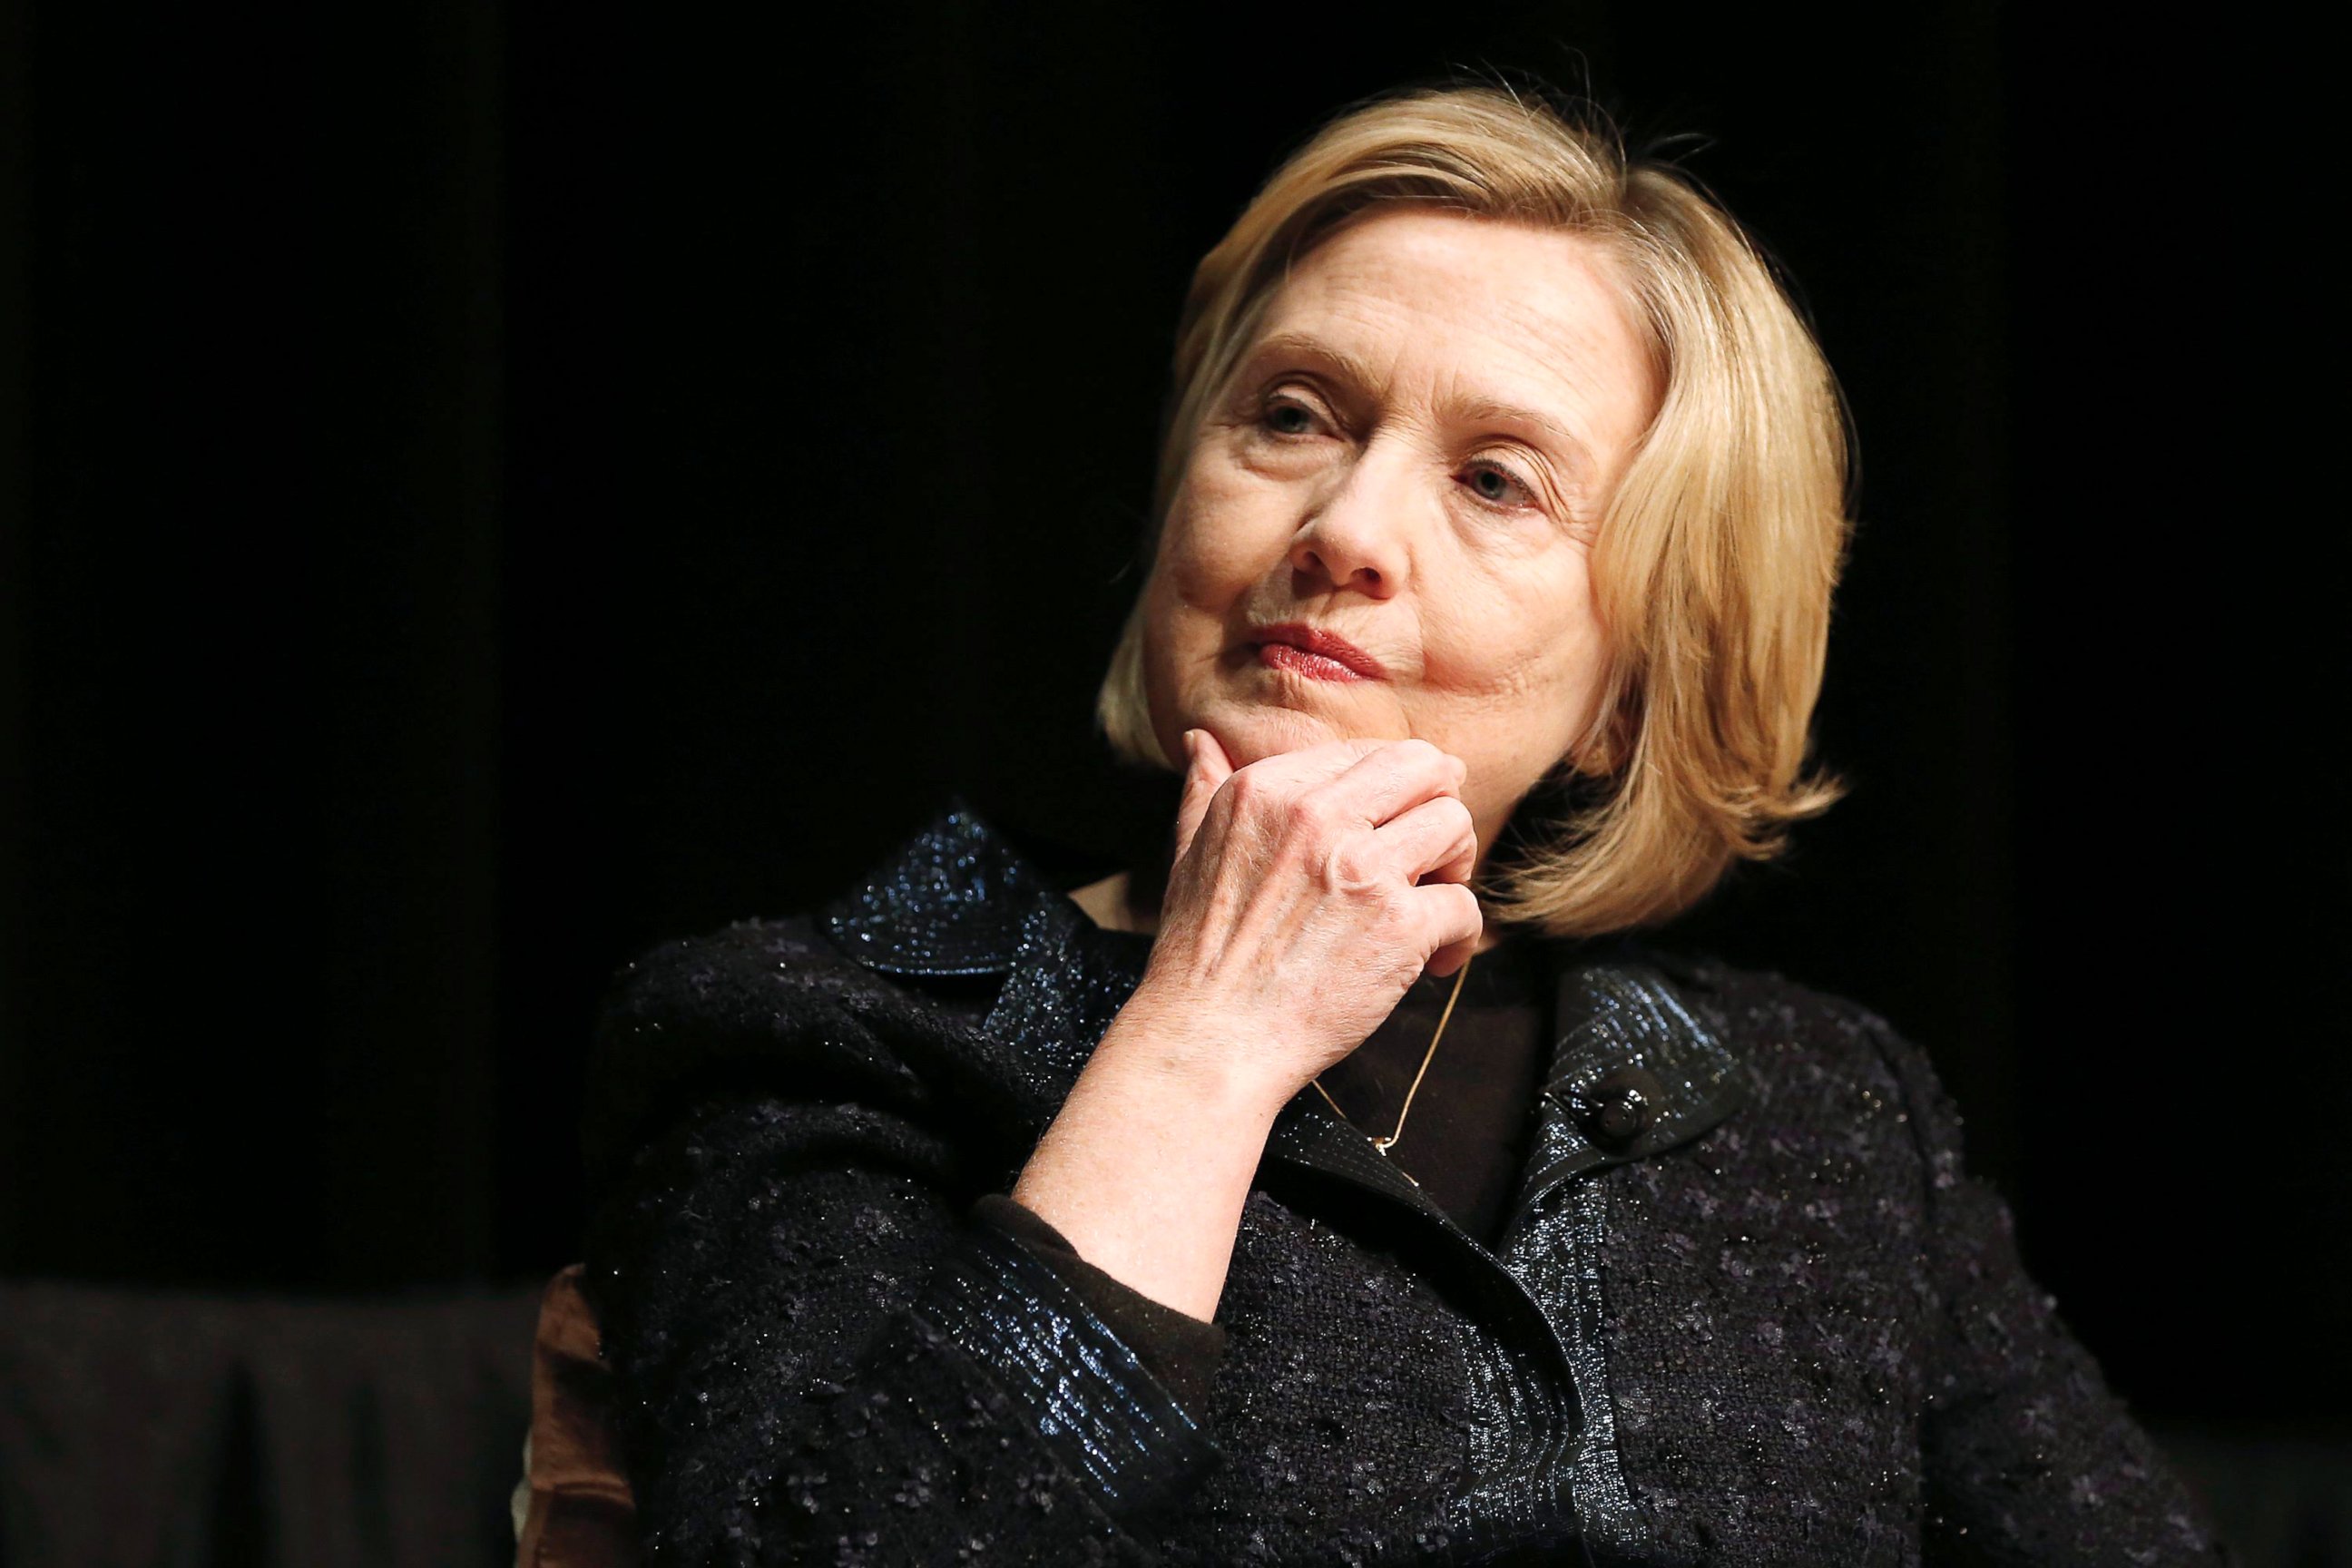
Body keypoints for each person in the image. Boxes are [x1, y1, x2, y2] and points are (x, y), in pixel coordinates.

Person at [534, 81, 2231, 1565]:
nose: (1345, 523)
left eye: (1496, 479)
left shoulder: (1824, 1117)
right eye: (1292, 415)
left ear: (1637, 681)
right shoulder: (822, 1026)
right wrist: (1205, 1039)